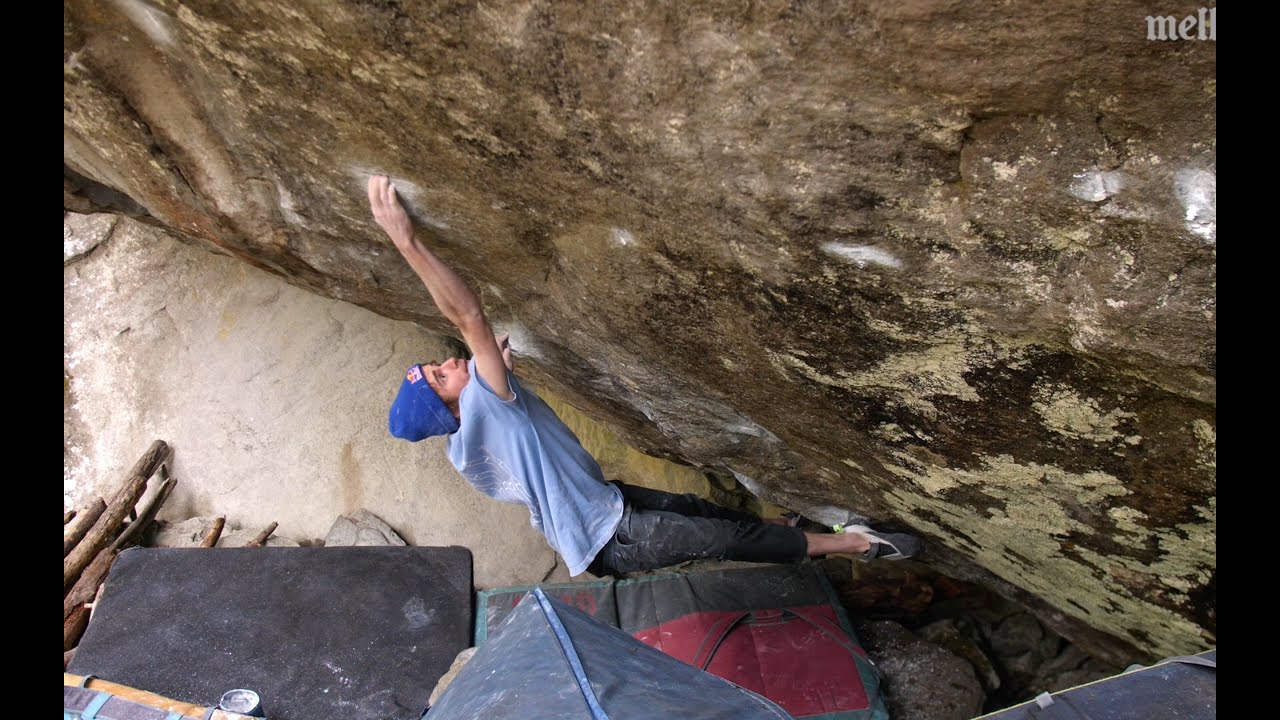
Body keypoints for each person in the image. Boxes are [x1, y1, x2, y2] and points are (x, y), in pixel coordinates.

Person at [368, 174, 922, 578]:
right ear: (452, 408)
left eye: (438, 364)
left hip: (602, 511)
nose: (450, 364)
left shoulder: (463, 447)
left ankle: (794, 531)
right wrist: (405, 240)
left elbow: (513, 446)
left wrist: (501, 381)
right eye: (441, 377)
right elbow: (467, 315)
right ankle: (858, 546)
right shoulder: (486, 401)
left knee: (705, 512)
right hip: (614, 536)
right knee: (727, 538)